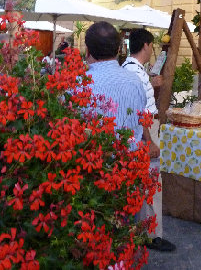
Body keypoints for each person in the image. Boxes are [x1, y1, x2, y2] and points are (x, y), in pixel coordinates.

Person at [121, 29, 175, 252]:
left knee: (144, 183)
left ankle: (142, 230)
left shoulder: (132, 69)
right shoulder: (134, 71)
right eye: (151, 45)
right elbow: (137, 110)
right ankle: (151, 234)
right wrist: (149, 140)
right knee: (152, 183)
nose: (152, 49)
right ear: (145, 45)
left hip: (145, 128)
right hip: (145, 130)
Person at [84, 22, 148, 150]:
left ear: (87, 51)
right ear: (118, 49)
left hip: (93, 164)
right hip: (130, 162)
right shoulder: (135, 81)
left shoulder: (78, 84)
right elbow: (141, 119)